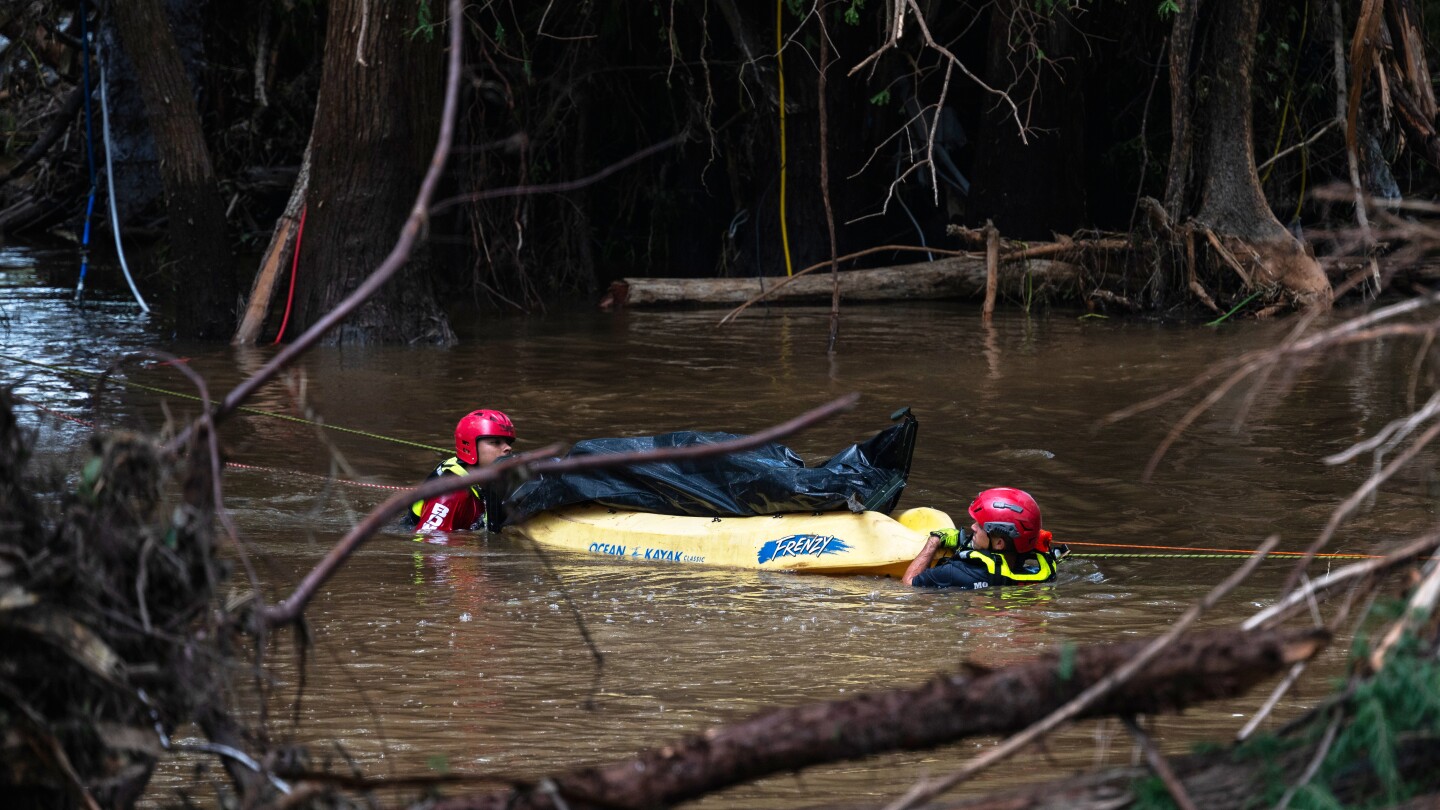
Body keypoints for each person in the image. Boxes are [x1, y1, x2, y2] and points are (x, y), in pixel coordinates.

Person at [902, 487, 1065, 589]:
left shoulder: (956, 572)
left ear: (999, 543)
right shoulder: (1045, 571)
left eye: (980, 526)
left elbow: (908, 584)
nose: (972, 527)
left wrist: (934, 541)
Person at [404, 409, 516, 534]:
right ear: (469, 446)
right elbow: (428, 544)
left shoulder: (496, 481)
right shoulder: (450, 494)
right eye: (496, 442)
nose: (508, 448)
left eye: (508, 442)